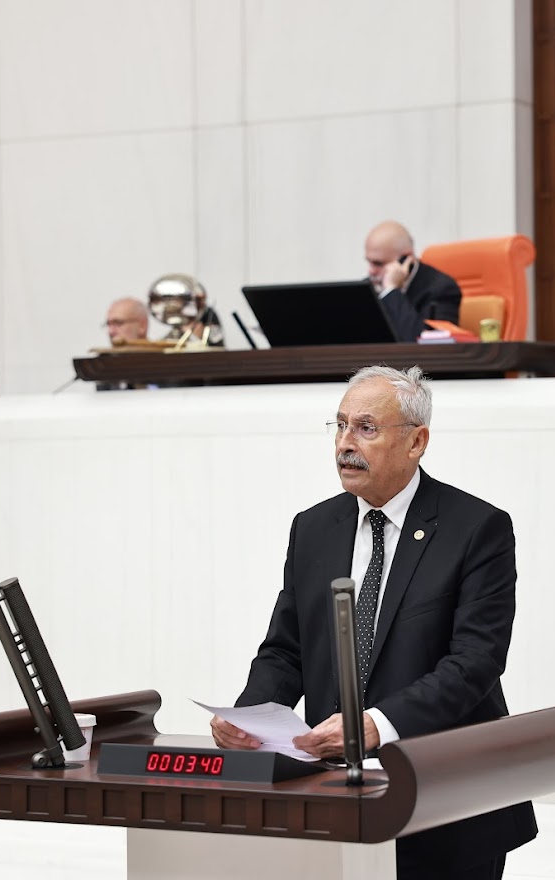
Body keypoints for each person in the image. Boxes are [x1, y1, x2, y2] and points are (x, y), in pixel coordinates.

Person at [211, 365, 535, 879]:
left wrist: (377, 725)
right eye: (340, 426)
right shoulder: (313, 527)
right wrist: (250, 716)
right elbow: (287, 649)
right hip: (335, 795)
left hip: (446, 802)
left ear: (416, 441)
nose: (345, 443)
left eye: (365, 428)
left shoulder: (476, 528)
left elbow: (475, 662)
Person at [364, 220, 462, 341]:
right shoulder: (368, 288)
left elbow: (423, 342)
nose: (371, 271)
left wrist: (391, 291)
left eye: (378, 264)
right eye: (369, 262)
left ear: (406, 259)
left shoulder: (442, 289)